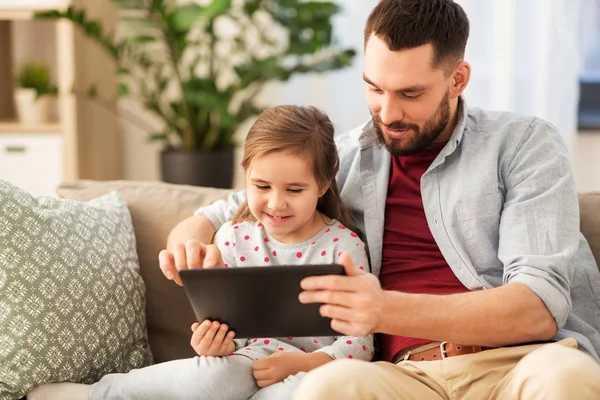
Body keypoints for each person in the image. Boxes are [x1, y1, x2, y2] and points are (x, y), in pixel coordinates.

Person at [160, 1, 600, 399]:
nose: (388, 114)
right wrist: (192, 233)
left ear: (457, 79)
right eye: (375, 88)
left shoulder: (523, 144)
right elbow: (243, 200)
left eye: (410, 94)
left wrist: (384, 309)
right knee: (325, 388)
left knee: (567, 379)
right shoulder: (349, 155)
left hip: (519, 362)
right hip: (403, 377)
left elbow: (538, 309)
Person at [28, 105, 373, 400]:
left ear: (325, 182)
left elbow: (362, 340)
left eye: (295, 189)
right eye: (261, 186)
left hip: (311, 374)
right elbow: (223, 327)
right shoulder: (232, 238)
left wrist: (305, 364)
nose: (276, 203)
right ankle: (99, 394)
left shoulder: (343, 248)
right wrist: (214, 344)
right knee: (211, 377)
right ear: (246, 176)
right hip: (242, 364)